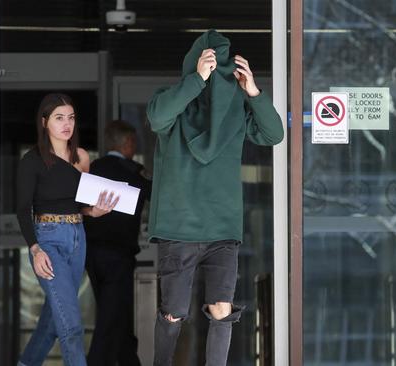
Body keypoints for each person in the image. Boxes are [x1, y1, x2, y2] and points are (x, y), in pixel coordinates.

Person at [146, 30, 284, 366]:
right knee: (174, 313)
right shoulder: (173, 101)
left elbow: (274, 134)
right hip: (180, 229)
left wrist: (252, 91)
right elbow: (157, 117)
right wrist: (196, 80)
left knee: (222, 310)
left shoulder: (234, 114)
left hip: (223, 230)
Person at [16, 93, 118, 366]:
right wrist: (35, 249)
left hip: (77, 239)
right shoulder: (32, 160)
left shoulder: (82, 157)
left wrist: (93, 211)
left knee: (51, 323)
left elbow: (80, 205)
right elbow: (23, 208)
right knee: (71, 325)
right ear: (45, 121)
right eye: (59, 118)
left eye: (71, 118)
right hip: (47, 241)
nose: (66, 124)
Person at [83, 120, 151, 366]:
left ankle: (129, 361)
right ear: (128, 143)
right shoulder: (132, 172)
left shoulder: (92, 168)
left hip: (91, 256)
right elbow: (156, 196)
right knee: (110, 320)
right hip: (118, 257)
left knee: (116, 315)